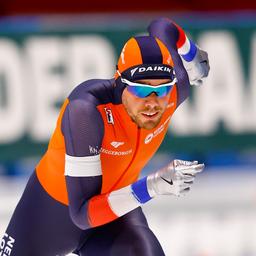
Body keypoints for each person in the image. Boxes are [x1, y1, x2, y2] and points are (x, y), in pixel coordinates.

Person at [0, 17, 209, 256]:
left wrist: (192, 55)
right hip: (49, 216)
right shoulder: (86, 111)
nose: (152, 102)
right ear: (121, 85)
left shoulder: (175, 92)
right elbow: (82, 214)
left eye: (161, 89)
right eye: (140, 89)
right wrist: (152, 186)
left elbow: (162, 27)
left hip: (115, 213)